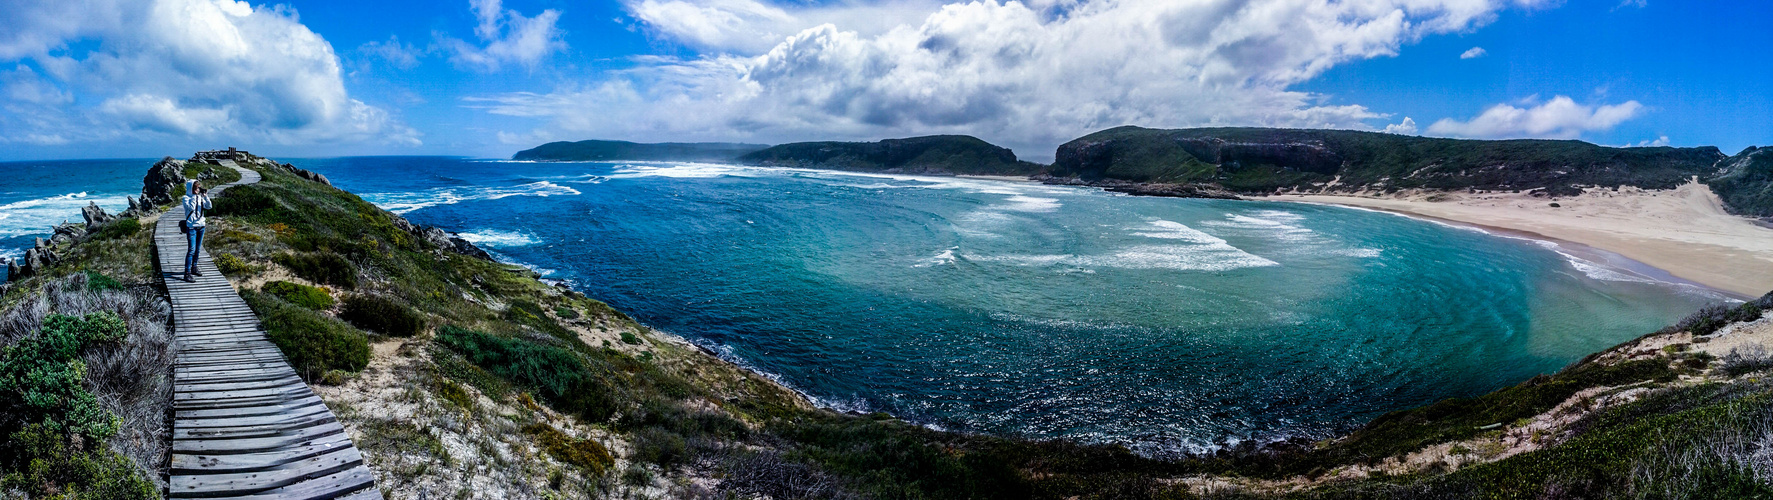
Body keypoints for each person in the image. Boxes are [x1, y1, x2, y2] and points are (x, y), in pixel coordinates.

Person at [182, 180, 212, 282]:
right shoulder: (186, 198)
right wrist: (195, 197)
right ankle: (187, 273)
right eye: (196, 188)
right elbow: (190, 208)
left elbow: (209, 206)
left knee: (197, 249)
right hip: (191, 227)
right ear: (191, 188)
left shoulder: (200, 197)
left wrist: (205, 197)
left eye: (198, 188)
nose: (198, 190)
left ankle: (194, 267)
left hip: (201, 226)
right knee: (191, 250)